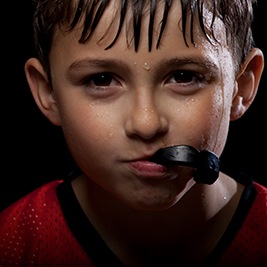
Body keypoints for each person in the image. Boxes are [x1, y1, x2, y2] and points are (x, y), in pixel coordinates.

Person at [0, 0, 266, 266]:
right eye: (101, 80)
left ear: (240, 87)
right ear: (49, 92)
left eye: (184, 76)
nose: (146, 124)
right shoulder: (11, 243)